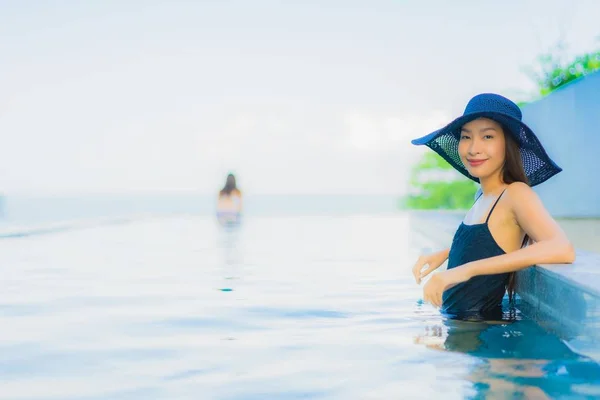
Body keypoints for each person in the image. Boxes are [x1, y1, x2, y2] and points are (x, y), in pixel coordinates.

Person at [410, 93, 575, 320]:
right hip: (458, 326)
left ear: (508, 144)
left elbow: (562, 247)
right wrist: (447, 254)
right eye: (466, 137)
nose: (473, 148)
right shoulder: (483, 195)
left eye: (487, 136)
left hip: (476, 335)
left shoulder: (516, 193)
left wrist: (463, 271)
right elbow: (490, 243)